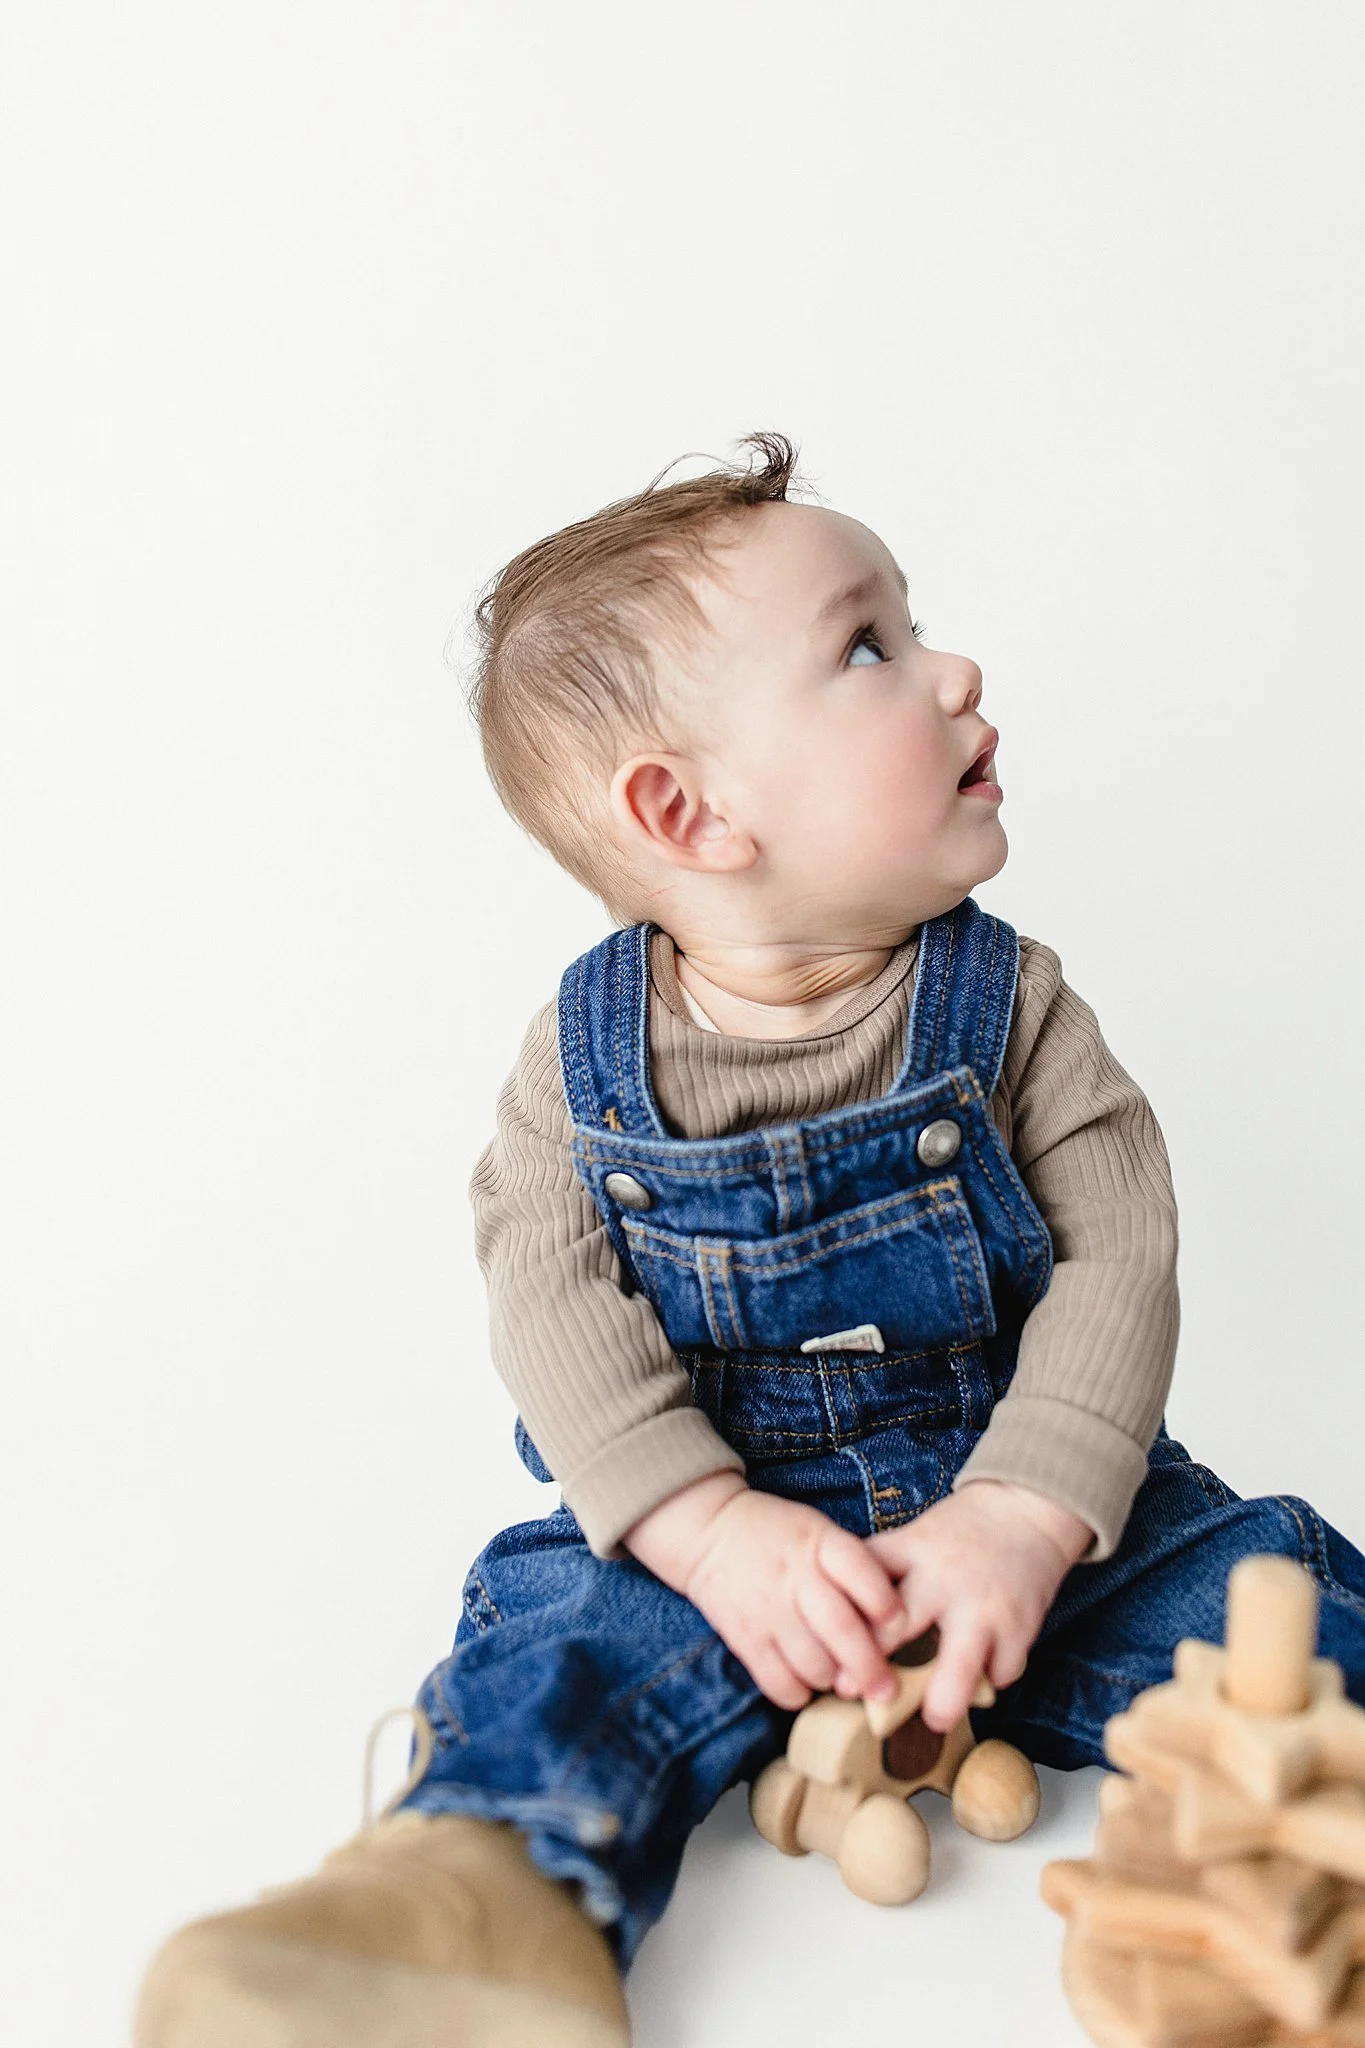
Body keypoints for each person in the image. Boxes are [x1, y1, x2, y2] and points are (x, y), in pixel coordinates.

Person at [134, 432, 1365, 2047]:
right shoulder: (581, 1067)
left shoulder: (1012, 1012)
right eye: (870, 646)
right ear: (689, 813)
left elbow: (1121, 1254)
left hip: (1022, 1503)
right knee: (564, 1654)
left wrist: (1024, 1510)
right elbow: (550, 1304)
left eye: (912, 626)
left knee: (1261, 1586)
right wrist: (705, 1530)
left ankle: (1298, 1879)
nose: (951, 666)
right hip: (721, 1522)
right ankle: (468, 1913)